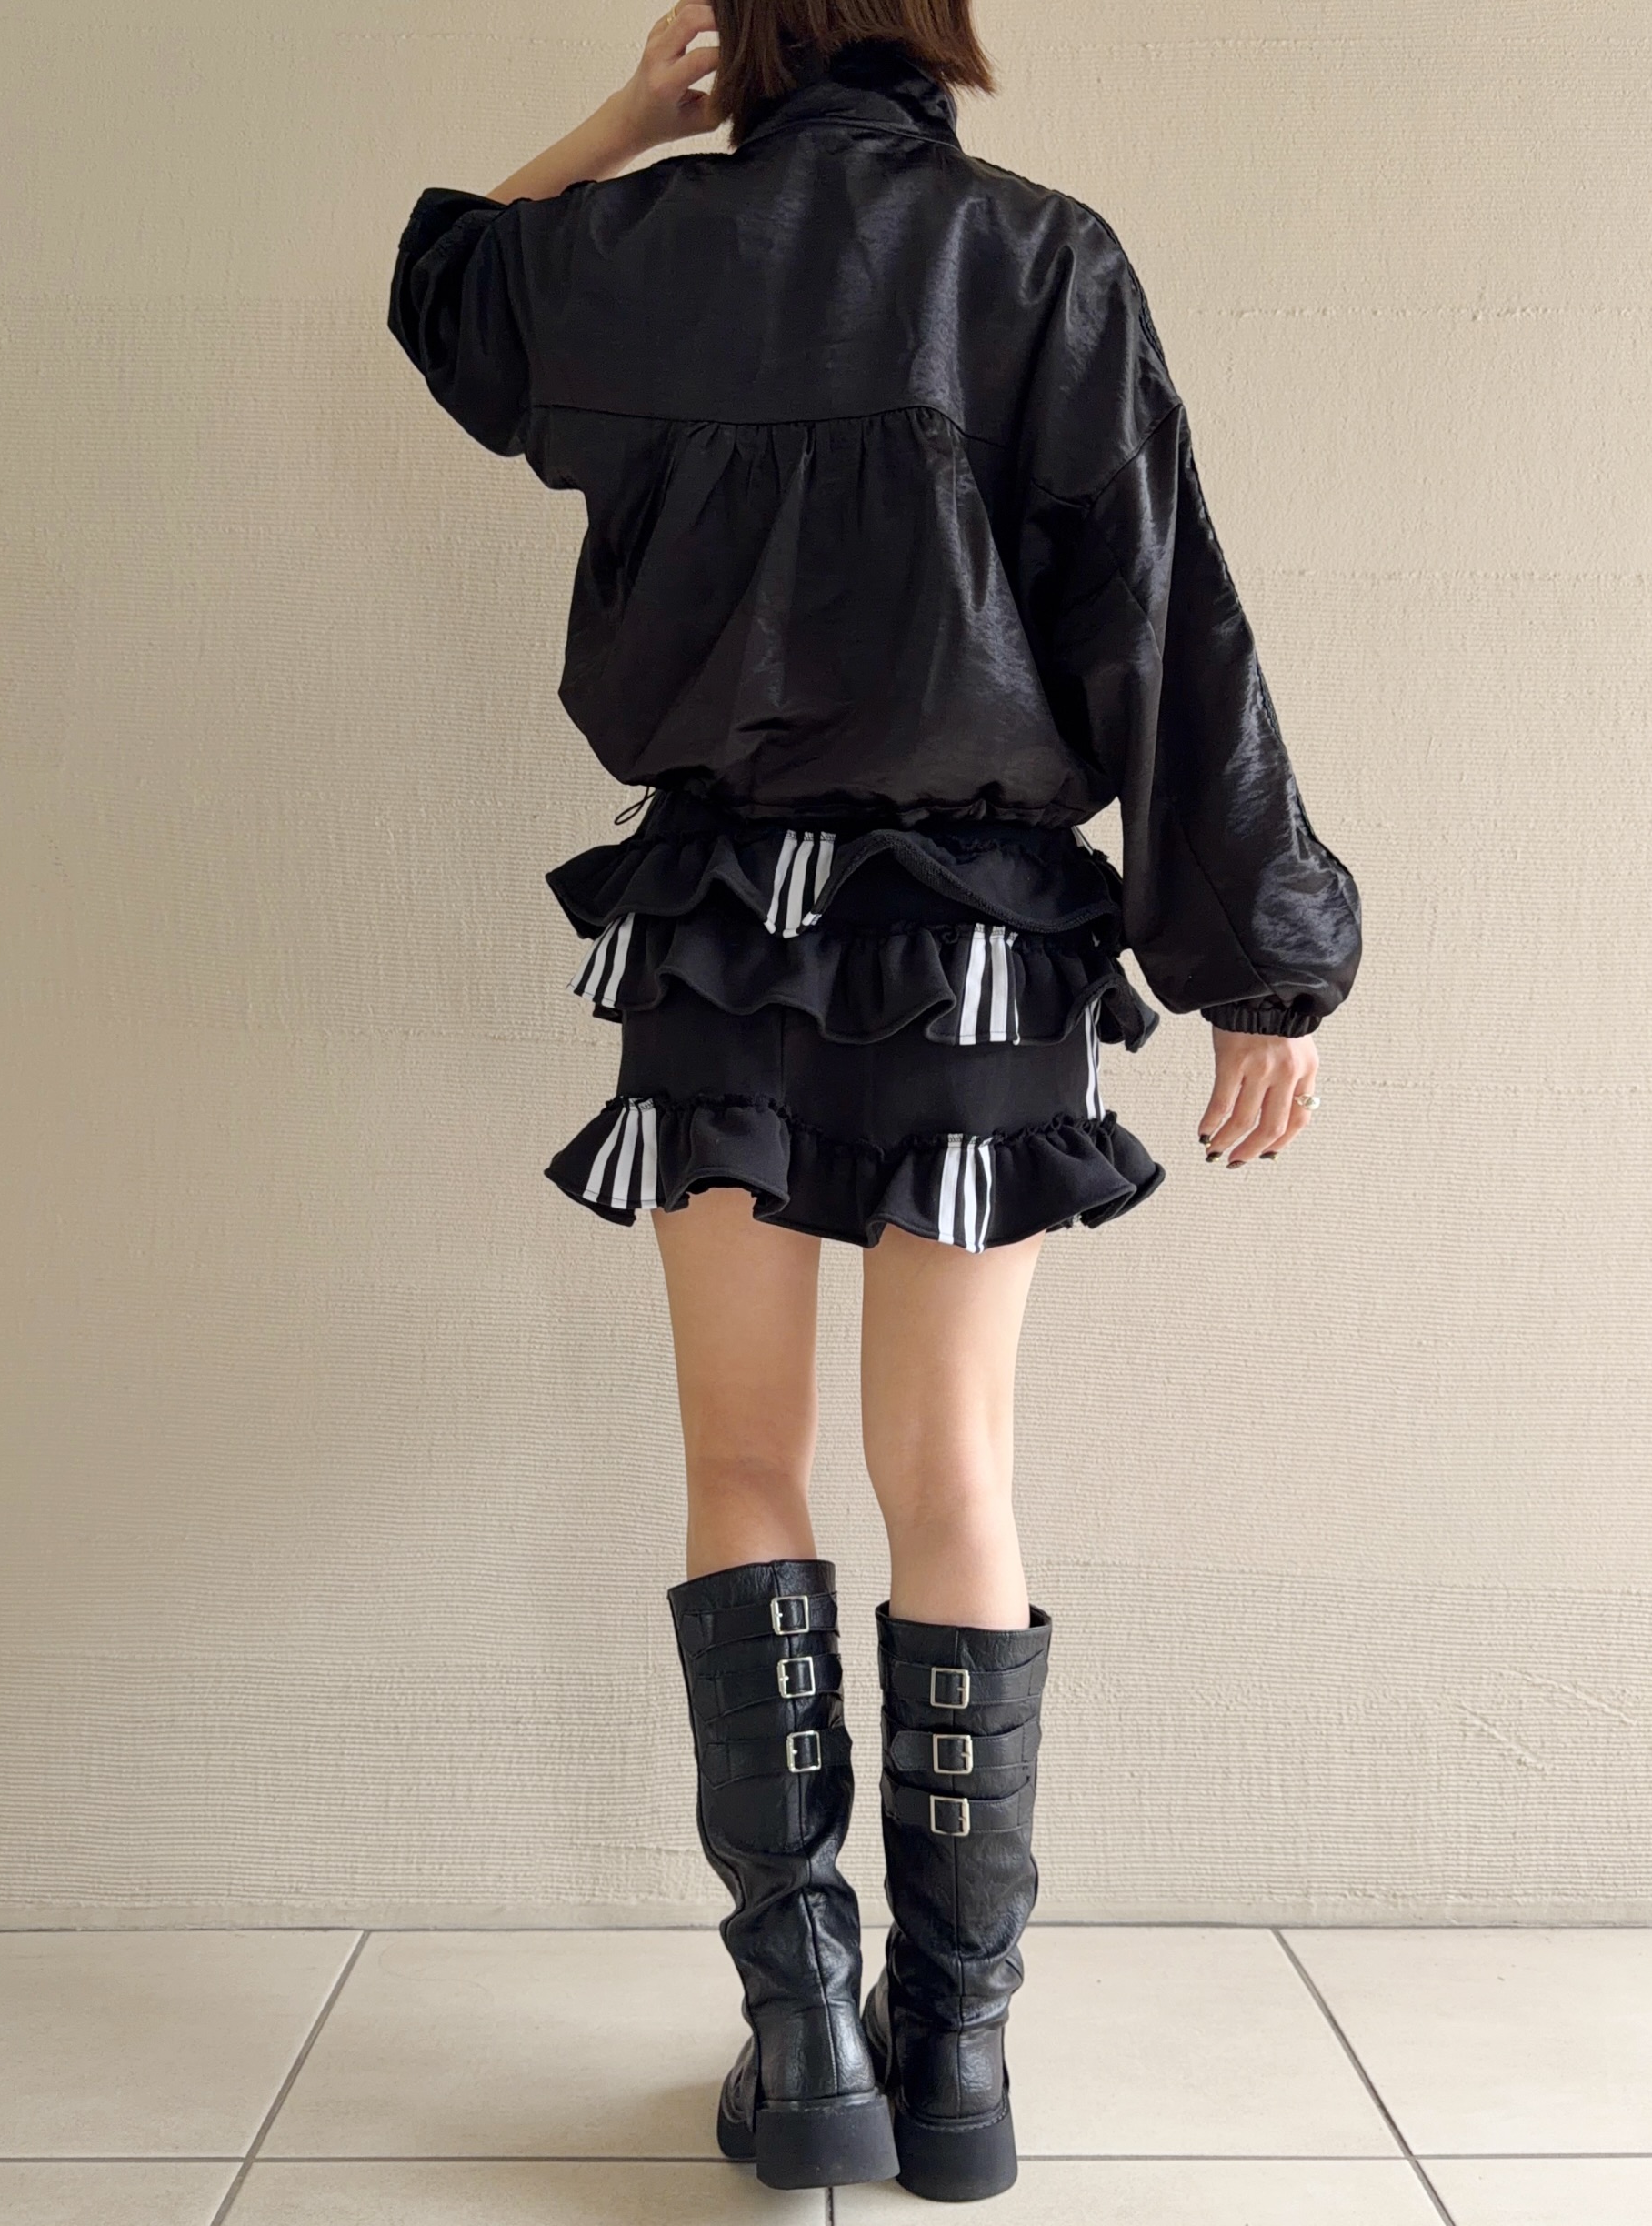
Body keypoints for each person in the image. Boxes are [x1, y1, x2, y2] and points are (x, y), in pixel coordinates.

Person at [388, 0, 1361, 2201]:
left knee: (743, 1460)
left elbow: (448, 289)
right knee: (956, 1476)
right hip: (979, 935)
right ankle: (959, 2064)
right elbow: (1161, 621)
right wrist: (1261, 963)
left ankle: (805, 2034)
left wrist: (632, 115)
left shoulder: (646, 247)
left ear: (741, 29)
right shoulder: (1041, 254)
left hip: (725, 924)